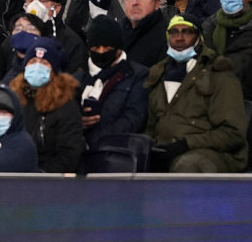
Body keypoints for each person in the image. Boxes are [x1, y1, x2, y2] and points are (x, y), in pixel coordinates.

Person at [146, 15, 248, 173]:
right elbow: (150, 126)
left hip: (213, 153)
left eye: (187, 32)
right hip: (165, 150)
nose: (179, 38)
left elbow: (233, 133)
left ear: (199, 38)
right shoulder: (158, 73)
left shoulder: (219, 72)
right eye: (173, 32)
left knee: (188, 165)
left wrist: (187, 144)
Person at [8, 37, 86, 173]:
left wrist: (38, 175)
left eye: (44, 62)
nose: (37, 67)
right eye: (32, 61)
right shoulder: (13, 97)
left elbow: (69, 154)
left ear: (54, 70)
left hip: (46, 177)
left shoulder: (66, 105)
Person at [78, 15, 149, 162]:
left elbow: (134, 118)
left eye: (107, 47)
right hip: (77, 151)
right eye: (96, 47)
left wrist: (94, 140)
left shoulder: (137, 75)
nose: (101, 52)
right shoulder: (77, 78)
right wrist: (77, 122)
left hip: (117, 154)